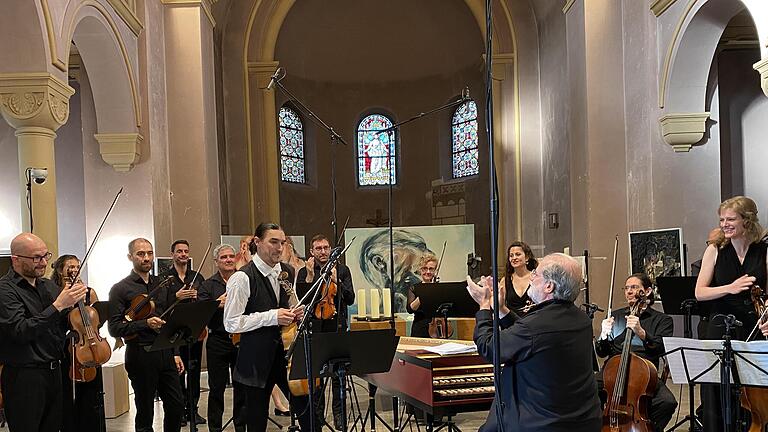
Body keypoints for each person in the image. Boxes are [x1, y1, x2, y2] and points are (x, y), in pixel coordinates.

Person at [467, 253, 601, 432]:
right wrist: (500, 309)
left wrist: (483, 306)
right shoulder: (581, 319)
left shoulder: (535, 325)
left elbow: (490, 348)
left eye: (536, 274)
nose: (531, 276)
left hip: (540, 423)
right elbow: (533, 338)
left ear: (549, 286)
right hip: (581, 420)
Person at [223, 223, 309, 432]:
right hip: (255, 362)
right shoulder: (241, 278)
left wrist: (296, 312)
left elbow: (290, 303)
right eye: (273, 242)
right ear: (257, 242)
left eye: (282, 242)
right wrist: (272, 317)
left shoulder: (288, 271)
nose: (279, 248)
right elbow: (231, 322)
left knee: (308, 413)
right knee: (256, 423)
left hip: (287, 358)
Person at [0, 233, 87, 432]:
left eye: (45, 256)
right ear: (16, 259)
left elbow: (58, 326)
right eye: (36, 258)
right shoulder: (5, 290)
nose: (43, 263)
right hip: (25, 376)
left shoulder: (49, 286)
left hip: (54, 372)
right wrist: (57, 306)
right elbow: (20, 330)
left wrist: (78, 312)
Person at [695, 196, 767, 431]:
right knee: (718, 390)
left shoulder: (763, 250)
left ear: (747, 220)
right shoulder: (715, 249)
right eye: (722, 219)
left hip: (754, 327)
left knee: (755, 389)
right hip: (721, 326)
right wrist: (730, 287)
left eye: (730, 219)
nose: (724, 224)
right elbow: (700, 292)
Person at [108, 238, 185, 432]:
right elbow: (115, 328)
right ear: (130, 257)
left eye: (149, 253)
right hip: (140, 353)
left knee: (176, 406)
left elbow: (172, 320)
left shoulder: (162, 284)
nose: (146, 258)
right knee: (145, 411)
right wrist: (145, 323)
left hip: (165, 351)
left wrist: (175, 352)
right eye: (141, 254)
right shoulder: (120, 289)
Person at [595, 273, 677, 431]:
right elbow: (601, 352)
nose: (629, 291)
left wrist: (642, 333)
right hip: (614, 370)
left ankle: (646, 428)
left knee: (667, 402)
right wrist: (604, 335)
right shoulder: (616, 316)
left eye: (634, 287)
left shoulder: (662, 320)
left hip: (644, 374)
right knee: (587, 391)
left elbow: (661, 348)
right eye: (626, 288)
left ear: (647, 292)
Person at [296, 234, 356, 430]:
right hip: (315, 328)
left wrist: (336, 281)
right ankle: (317, 415)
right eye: (318, 248)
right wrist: (311, 277)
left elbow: (350, 298)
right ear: (311, 252)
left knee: (339, 375)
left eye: (326, 247)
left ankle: (339, 414)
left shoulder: (342, 270)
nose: (323, 252)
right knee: (316, 375)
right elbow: (303, 300)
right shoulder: (305, 271)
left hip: (337, 326)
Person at [50, 254, 107, 432]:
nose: (74, 270)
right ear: (60, 270)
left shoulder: (89, 292)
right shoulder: (55, 292)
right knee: (68, 393)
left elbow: (98, 318)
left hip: (89, 345)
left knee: (92, 394)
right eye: (70, 267)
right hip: (67, 348)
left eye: (77, 266)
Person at [198, 244, 246, 432]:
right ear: (216, 262)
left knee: (241, 387)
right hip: (218, 340)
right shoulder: (207, 285)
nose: (228, 260)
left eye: (230, 256)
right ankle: (215, 428)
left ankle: (241, 426)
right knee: (216, 388)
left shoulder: (243, 280)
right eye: (224, 257)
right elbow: (200, 313)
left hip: (240, 339)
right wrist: (216, 304)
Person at [161, 239, 205, 425]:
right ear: (173, 254)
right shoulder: (166, 278)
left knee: (194, 373)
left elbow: (204, 301)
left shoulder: (197, 277)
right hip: (174, 330)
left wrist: (197, 296)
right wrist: (176, 296)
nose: (183, 254)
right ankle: (178, 411)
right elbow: (161, 304)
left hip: (194, 330)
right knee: (177, 372)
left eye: (186, 251)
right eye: (179, 251)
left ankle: (193, 410)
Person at [406, 253, 439, 338]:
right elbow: (410, 309)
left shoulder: (439, 288)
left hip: (437, 329)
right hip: (419, 329)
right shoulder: (414, 288)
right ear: (420, 270)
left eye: (431, 269)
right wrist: (424, 294)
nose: (428, 272)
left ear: (435, 270)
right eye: (425, 268)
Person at [501, 241, 537, 315]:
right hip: (512, 323)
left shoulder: (536, 277)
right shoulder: (504, 281)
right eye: (511, 255)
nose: (514, 258)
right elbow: (501, 306)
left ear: (527, 257)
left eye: (518, 254)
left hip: (533, 322)